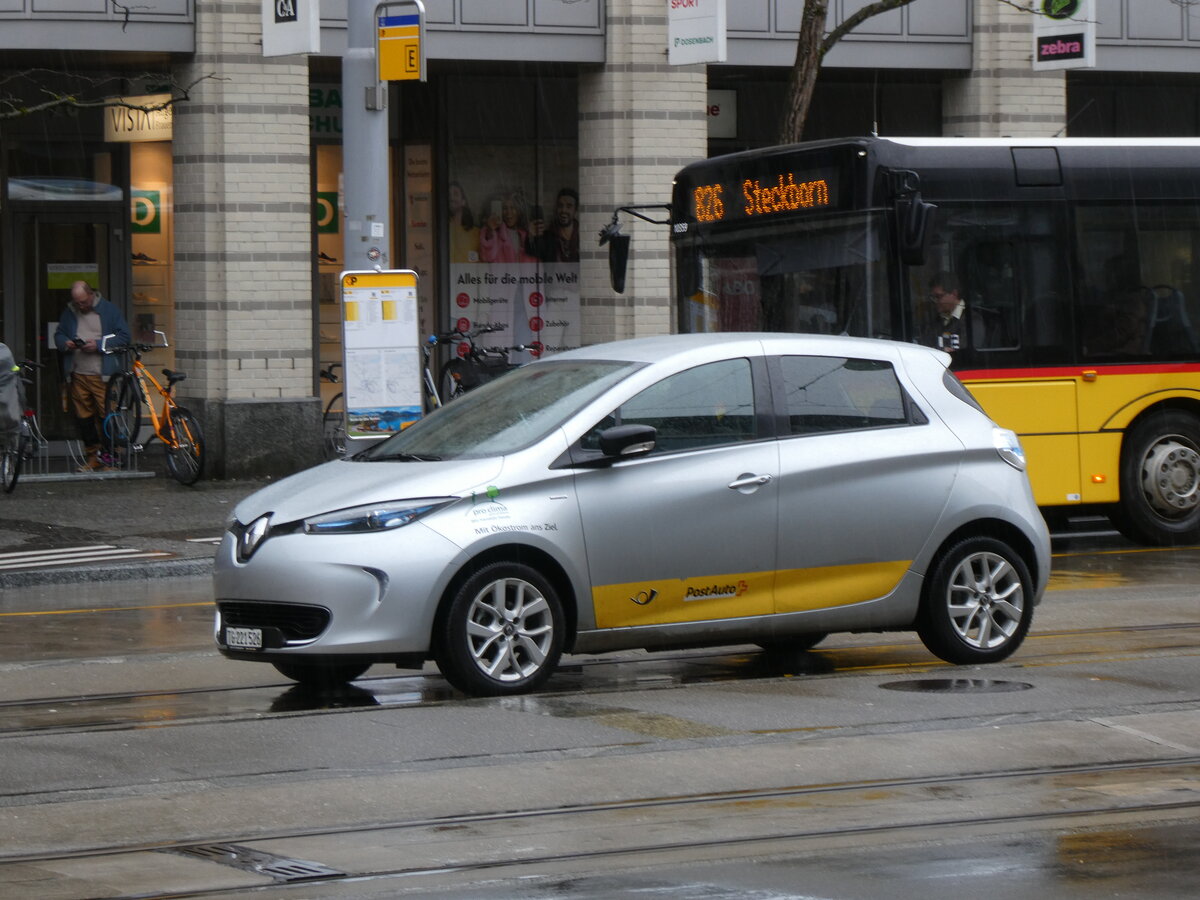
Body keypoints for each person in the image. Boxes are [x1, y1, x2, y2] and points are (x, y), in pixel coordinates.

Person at [54, 280, 131, 472]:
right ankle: (93, 456)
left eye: (83, 302)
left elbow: (124, 336)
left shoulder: (109, 310)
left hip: (102, 374)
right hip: (78, 373)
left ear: (90, 294)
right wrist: (66, 343)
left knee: (106, 416)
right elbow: (59, 334)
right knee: (84, 417)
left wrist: (98, 345)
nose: (81, 306)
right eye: (77, 302)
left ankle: (111, 457)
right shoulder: (70, 312)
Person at [921, 270, 984, 353]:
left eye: (938, 296)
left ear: (954, 294)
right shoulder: (937, 319)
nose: (935, 301)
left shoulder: (972, 320)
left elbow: (968, 353)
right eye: (933, 297)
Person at [479, 190, 537, 263]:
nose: (509, 212)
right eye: (505, 208)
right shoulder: (496, 235)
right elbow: (486, 257)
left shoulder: (525, 235)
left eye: (513, 208)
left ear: (519, 211)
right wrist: (490, 230)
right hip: (505, 275)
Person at [526, 187, 580, 263]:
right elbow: (532, 252)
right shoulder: (548, 237)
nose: (563, 210)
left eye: (569, 206)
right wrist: (531, 236)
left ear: (575, 210)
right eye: (560, 206)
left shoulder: (582, 236)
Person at [448, 180, 480, 263]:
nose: (451, 198)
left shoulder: (476, 233)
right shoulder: (442, 230)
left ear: (463, 201)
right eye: (449, 195)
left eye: (455, 194)